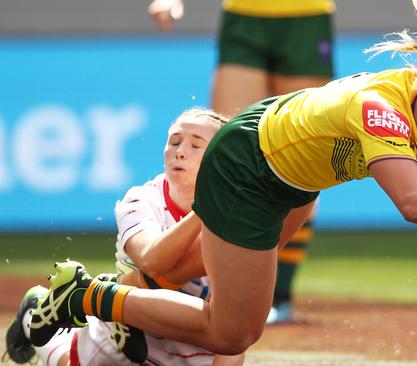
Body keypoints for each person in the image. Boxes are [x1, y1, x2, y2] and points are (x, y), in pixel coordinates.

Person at [28, 0, 417, 357]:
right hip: (246, 163)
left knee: (171, 272)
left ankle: (97, 299)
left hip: (294, 182)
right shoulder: (380, 106)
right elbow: (413, 203)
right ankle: (87, 298)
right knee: (233, 330)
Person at [4, 108, 243, 365]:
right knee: (68, 362)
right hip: (132, 329)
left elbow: (236, 328)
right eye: (174, 141)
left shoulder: (240, 215)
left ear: (221, 159)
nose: (180, 151)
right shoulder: (141, 200)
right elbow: (152, 258)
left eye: (196, 145)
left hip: (196, 345)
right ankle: (34, 311)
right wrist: (205, 212)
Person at [147, 0, 335, 323]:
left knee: (307, 162)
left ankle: (280, 296)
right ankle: (203, 284)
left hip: (307, 15)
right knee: (224, 148)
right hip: (244, 14)